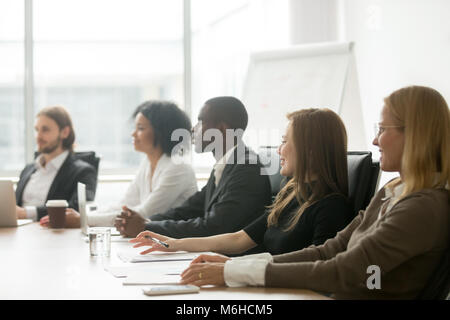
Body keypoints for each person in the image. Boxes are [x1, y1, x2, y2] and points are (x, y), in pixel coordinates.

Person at [177, 85, 450, 300]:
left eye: (382, 129)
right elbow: (329, 251)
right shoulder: (392, 192)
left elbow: (345, 270)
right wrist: (234, 267)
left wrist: (234, 270)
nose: (375, 140)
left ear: (414, 134)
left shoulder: (422, 207)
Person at [130, 108, 353, 256]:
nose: (279, 150)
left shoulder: (331, 207)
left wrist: (233, 269)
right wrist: (173, 244)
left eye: (284, 141)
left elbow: (315, 268)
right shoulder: (291, 196)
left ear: (311, 151)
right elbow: (238, 239)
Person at [115, 96, 272, 238]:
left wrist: (147, 227)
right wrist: (146, 222)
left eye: (201, 121)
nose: (193, 129)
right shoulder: (227, 164)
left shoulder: (246, 169)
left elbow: (214, 226)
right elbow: (188, 210)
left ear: (221, 129)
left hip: (233, 261)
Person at [54, 100, 198, 228]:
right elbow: (124, 206)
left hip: (175, 246)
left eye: (140, 128)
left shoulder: (178, 168)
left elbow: (141, 214)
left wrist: (82, 220)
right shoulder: (148, 163)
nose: (133, 134)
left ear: (162, 132)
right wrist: (82, 216)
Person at [15, 106, 97, 227]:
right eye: (37, 130)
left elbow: (75, 211)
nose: (38, 136)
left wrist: (26, 213)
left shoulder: (83, 172)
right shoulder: (28, 170)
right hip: (17, 233)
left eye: (45, 130)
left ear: (64, 132)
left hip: (53, 234)